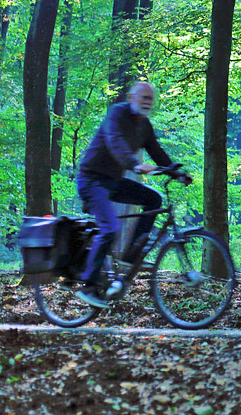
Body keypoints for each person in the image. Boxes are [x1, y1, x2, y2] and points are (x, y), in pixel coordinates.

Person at [73, 81, 173, 308]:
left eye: (150, 98)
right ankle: (88, 287)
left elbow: (157, 151)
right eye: (143, 97)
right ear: (131, 98)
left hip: (113, 182)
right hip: (91, 180)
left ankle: (129, 257)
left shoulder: (144, 126)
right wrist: (134, 165)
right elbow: (114, 141)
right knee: (110, 228)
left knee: (153, 199)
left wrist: (176, 170)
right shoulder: (117, 113)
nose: (147, 101)